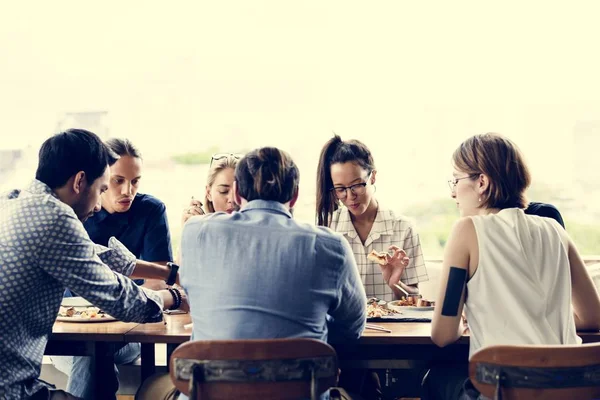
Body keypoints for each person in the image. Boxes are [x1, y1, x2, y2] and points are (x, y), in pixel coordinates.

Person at [0, 129, 187, 400]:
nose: (99, 205)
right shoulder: (56, 218)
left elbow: (93, 254)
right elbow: (123, 300)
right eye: (102, 189)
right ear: (79, 182)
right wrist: (174, 297)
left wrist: (168, 272)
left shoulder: (13, 202)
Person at [178, 147, 366, 400]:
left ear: (236, 192)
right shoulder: (332, 245)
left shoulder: (194, 232)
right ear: (295, 196)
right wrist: (308, 335)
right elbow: (352, 328)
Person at [426, 133, 600, 399]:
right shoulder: (556, 230)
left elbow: (442, 335)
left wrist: (470, 319)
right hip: (568, 389)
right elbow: (592, 317)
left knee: (434, 379)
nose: (452, 192)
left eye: (456, 180)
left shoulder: (466, 230)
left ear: (481, 181)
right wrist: (538, 319)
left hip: (503, 391)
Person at [53, 138, 174, 399]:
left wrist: (164, 280)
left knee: (96, 354)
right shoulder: (74, 211)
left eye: (135, 181)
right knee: (93, 354)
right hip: (69, 329)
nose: (127, 190)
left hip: (128, 328)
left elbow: (154, 278)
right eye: (118, 181)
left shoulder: (150, 210)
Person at [316, 135, 429, 302]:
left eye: (356, 185)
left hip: (394, 327)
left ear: (373, 176)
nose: (350, 196)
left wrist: (395, 283)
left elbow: (415, 301)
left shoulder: (403, 228)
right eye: (340, 189)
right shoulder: (328, 228)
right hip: (344, 327)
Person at [181, 153, 240, 225]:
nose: (232, 199)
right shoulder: (199, 227)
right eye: (223, 191)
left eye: (239, 191)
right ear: (209, 193)